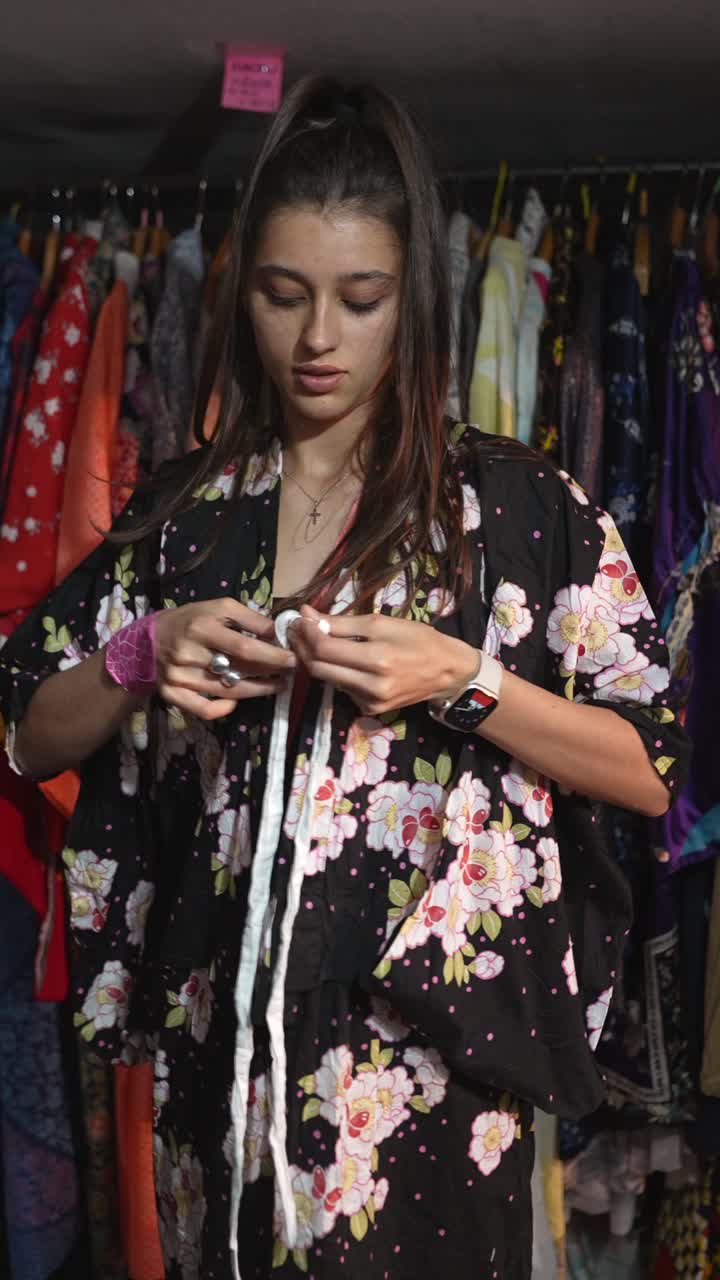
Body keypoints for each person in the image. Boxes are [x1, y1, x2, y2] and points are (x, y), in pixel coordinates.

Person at [0, 77, 689, 1280]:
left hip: (427, 1090)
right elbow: (27, 729)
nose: (319, 338)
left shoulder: (519, 512)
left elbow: (652, 765)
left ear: (410, 297)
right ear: (242, 294)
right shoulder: (186, 517)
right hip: (222, 1079)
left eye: (359, 299)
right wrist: (140, 651)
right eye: (284, 294)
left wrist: (462, 678)